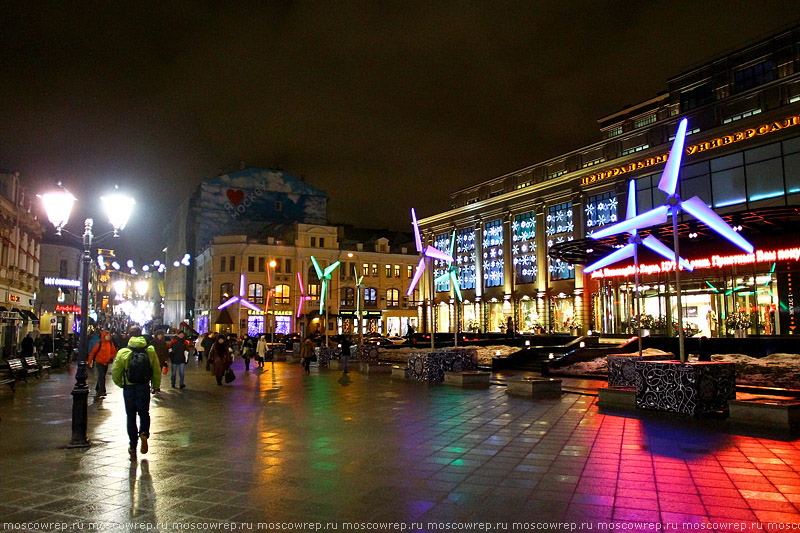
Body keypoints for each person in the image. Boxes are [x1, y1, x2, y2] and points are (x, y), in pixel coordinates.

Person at [111, 326, 161, 460]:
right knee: (144, 412)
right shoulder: (150, 350)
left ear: (129, 336)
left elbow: (115, 372)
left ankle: (133, 446)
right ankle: (144, 432)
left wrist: (121, 384)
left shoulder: (123, 352)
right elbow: (156, 369)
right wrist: (155, 386)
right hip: (144, 386)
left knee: (131, 416)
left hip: (130, 388)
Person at [88, 331, 118, 398]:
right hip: (99, 362)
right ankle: (102, 390)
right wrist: (90, 361)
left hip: (106, 362)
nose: (109, 337)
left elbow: (114, 351)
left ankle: (97, 388)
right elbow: (92, 353)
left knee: (101, 376)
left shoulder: (110, 343)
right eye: (107, 336)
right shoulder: (99, 344)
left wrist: (109, 357)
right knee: (101, 376)